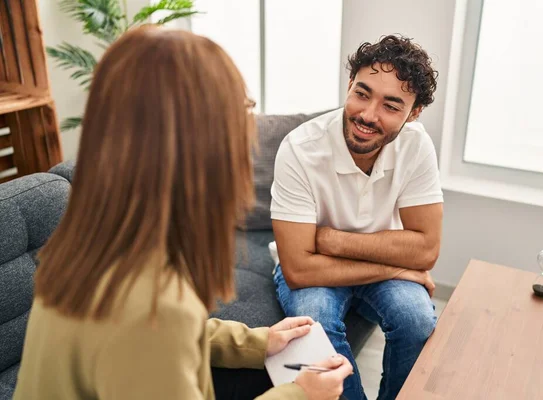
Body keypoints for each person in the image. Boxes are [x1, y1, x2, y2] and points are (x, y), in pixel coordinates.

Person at [13, 27, 353, 400]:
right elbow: (150, 329)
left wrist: (257, 342)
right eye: (242, 114)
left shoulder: (86, 246)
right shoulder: (153, 308)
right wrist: (301, 394)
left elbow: (156, 338)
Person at [270, 34, 442, 400]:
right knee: (312, 321)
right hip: (326, 269)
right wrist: (396, 268)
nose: (367, 115)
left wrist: (333, 240)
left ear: (413, 114)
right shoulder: (300, 149)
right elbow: (299, 269)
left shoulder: (417, 146)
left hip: (338, 259)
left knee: (417, 318)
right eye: (362, 93)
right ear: (349, 84)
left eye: (391, 106)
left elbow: (426, 250)